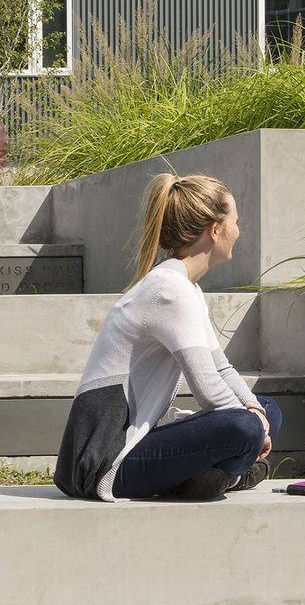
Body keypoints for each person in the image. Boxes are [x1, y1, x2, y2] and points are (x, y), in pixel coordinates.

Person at [54, 174, 281, 502]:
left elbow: (223, 369)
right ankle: (221, 477)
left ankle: (213, 478)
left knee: (267, 410)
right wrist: (253, 426)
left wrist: (254, 411)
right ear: (215, 231)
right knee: (243, 429)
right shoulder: (169, 290)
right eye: (235, 222)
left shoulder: (186, 287)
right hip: (102, 462)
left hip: (131, 448)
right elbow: (208, 390)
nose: (238, 231)